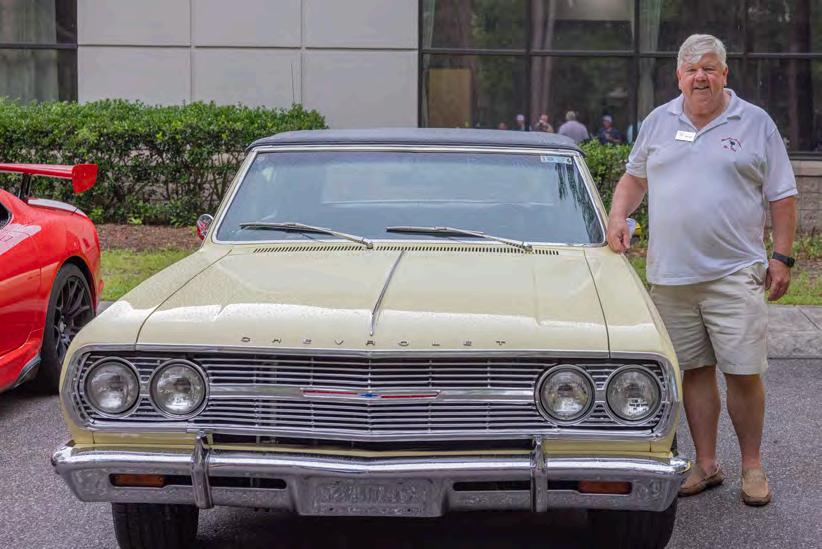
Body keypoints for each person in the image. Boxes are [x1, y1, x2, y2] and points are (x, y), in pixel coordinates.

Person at [606, 34, 798, 507]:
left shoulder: (755, 122)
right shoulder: (659, 121)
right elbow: (634, 178)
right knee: (693, 371)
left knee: (744, 372)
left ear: (724, 73)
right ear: (679, 76)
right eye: (691, 70)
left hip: (735, 272)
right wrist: (617, 214)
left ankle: (752, 467)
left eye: (709, 68)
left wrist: (782, 256)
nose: (700, 77)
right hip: (672, 277)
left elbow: (782, 195)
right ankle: (706, 464)